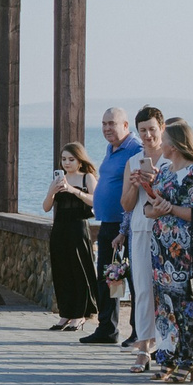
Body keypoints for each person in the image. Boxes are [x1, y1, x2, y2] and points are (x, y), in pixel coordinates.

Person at [145, 119, 193, 383]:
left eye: (164, 139)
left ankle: (188, 360)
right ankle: (167, 357)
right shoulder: (163, 171)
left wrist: (170, 209)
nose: (160, 143)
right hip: (161, 250)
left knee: (187, 307)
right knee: (164, 306)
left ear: (175, 143)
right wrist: (158, 209)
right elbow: (148, 209)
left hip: (185, 252)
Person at [82, 109, 139, 346]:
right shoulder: (111, 148)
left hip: (126, 224)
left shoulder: (134, 149)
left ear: (125, 125)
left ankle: (138, 332)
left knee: (135, 280)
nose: (106, 128)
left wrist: (123, 229)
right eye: (103, 123)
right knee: (107, 278)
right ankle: (107, 329)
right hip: (107, 223)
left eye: (112, 124)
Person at [118, 108, 168, 358]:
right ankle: (145, 344)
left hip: (167, 231)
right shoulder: (132, 161)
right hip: (140, 228)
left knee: (167, 290)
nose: (148, 135)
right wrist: (136, 185)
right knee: (143, 288)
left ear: (162, 128)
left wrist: (155, 182)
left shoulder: (172, 160)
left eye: (152, 129)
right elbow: (126, 205)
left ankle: (168, 345)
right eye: (143, 131)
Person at [42, 144, 101, 331]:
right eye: (64, 159)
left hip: (78, 227)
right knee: (62, 270)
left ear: (79, 160)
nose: (67, 163)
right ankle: (65, 313)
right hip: (60, 228)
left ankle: (80, 314)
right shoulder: (59, 179)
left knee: (79, 270)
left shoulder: (87, 177)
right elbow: (46, 207)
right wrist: (53, 190)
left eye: (71, 159)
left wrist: (73, 190)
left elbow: (96, 201)